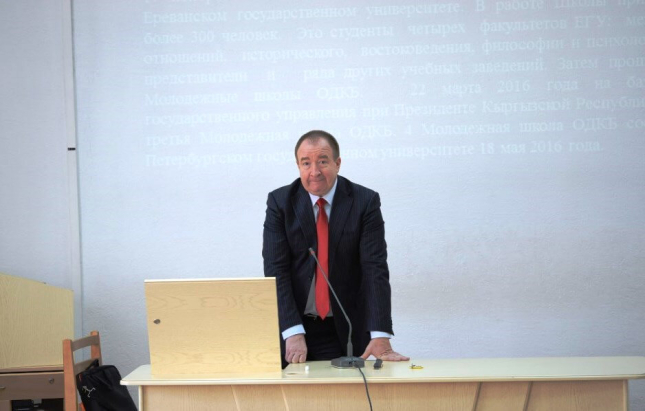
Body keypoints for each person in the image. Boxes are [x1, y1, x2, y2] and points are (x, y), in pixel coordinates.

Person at [263, 130, 408, 367]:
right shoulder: (280, 203)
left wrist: (380, 333)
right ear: (298, 166)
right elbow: (276, 271)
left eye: (322, 161)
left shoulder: (364, 201)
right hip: (295, 328)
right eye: (306, 163)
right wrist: (292, 331)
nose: (314, 171)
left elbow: (374, 269)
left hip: (346, 328)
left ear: (337, 163)